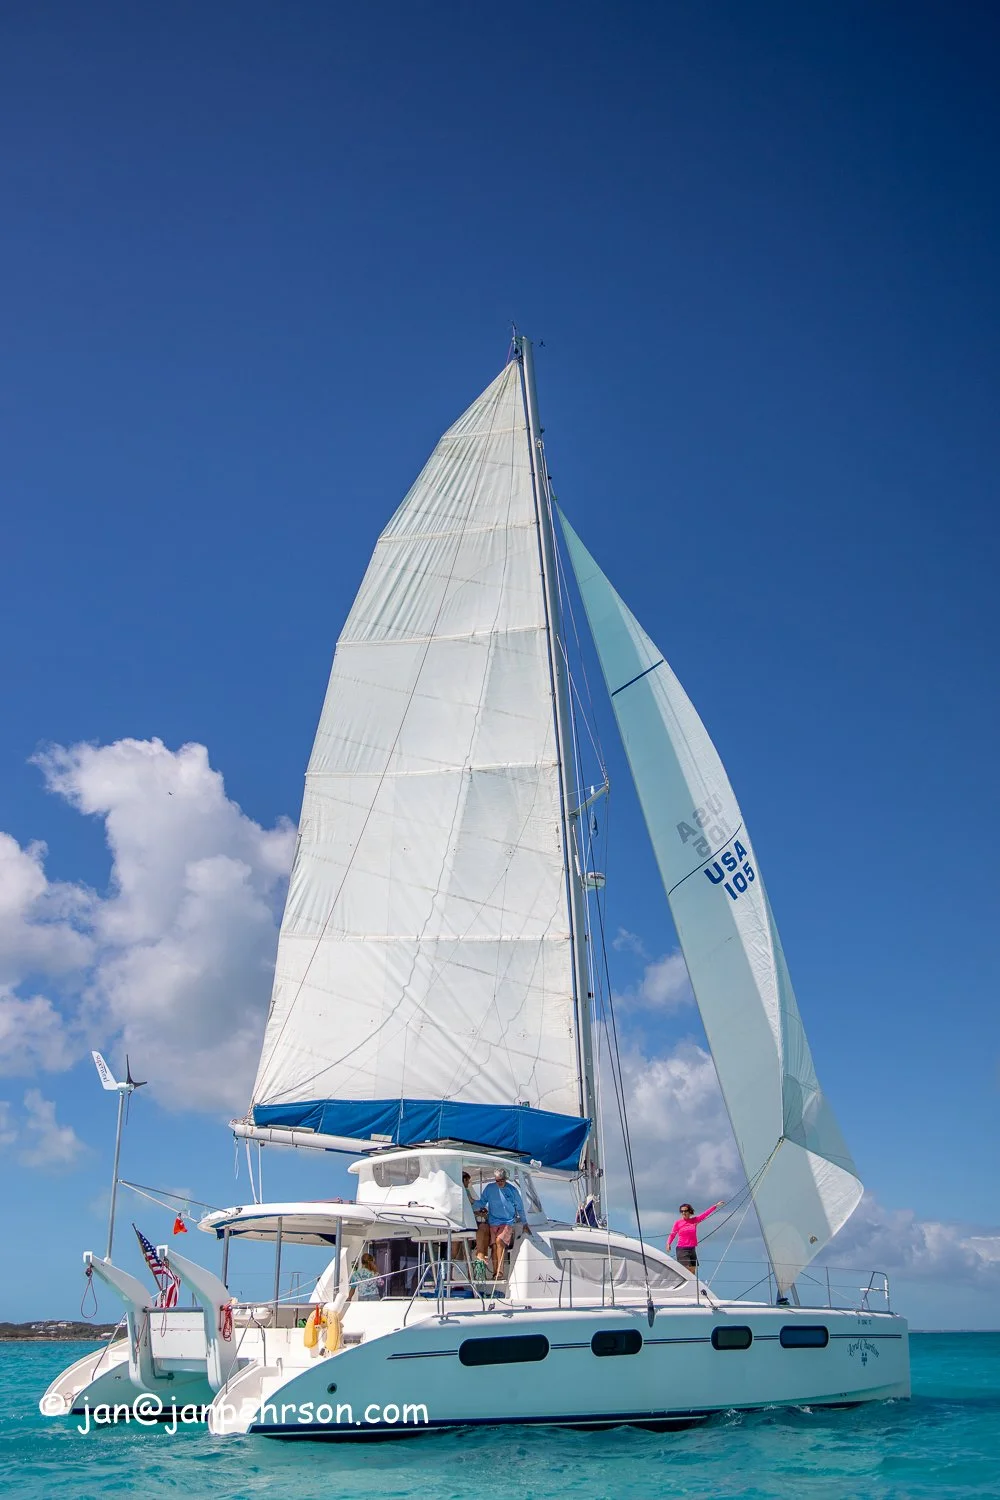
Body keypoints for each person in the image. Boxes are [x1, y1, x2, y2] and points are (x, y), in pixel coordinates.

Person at [474, 1167, 531, 1279]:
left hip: (507, 1221)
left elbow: (520, 1208)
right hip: (493, 1221)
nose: (500, 1183)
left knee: (499, 1241)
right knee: (494, 1245)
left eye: (502, 1180)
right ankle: (496, 1273)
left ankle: (499, 1272)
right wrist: (470, 1204)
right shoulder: (490, 1188)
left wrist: (525, 1223)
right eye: (497, 1181)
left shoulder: (512, 1190)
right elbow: (481, 1202)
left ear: (506, 1179)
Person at [666, 1200, 725, 1275]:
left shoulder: (694, 1220)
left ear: (690, 1211)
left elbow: (705, 1214)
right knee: (686, 1270)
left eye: (685, 1211)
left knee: (693, 1271)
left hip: (692, 1249)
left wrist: (715, 1206)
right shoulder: (678, 1223)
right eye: (681, 1211)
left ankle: (692, 1286)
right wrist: (668, 1243)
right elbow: (672, 1234)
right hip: (682, 1249)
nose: (683, 1213)